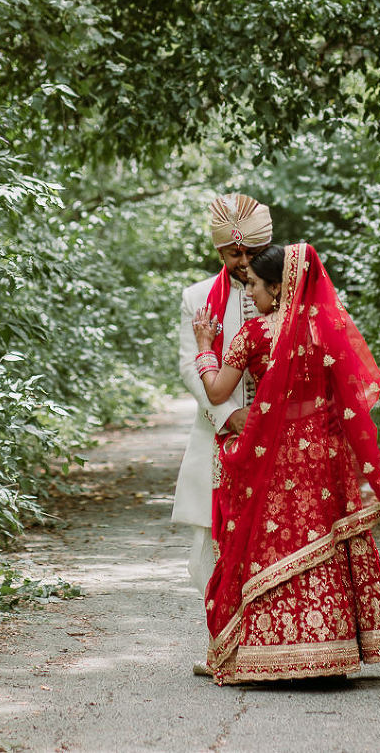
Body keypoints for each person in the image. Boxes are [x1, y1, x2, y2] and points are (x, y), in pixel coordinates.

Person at [193, 243, 380, 685]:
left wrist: (203, 347)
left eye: (253, 284)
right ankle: (330, 651)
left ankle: (273, 653)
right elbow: (349, 389)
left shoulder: (252, 335)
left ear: (278, 286)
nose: (248, 292)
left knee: (275, 540)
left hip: (274, 453)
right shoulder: (326, 328)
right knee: (322, 538)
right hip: (324, 454)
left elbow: (216, 392)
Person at [171, 193, 272, 598]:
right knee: (212, 546)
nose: (244, 262)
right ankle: (221, 648)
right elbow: (187, 366)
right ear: (220, 252)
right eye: (234, 254)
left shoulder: (289, 291)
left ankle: (266, 651)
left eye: (252, 252)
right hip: (216, 436)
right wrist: (229, 416)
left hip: (278, 432)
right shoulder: (197, 298)